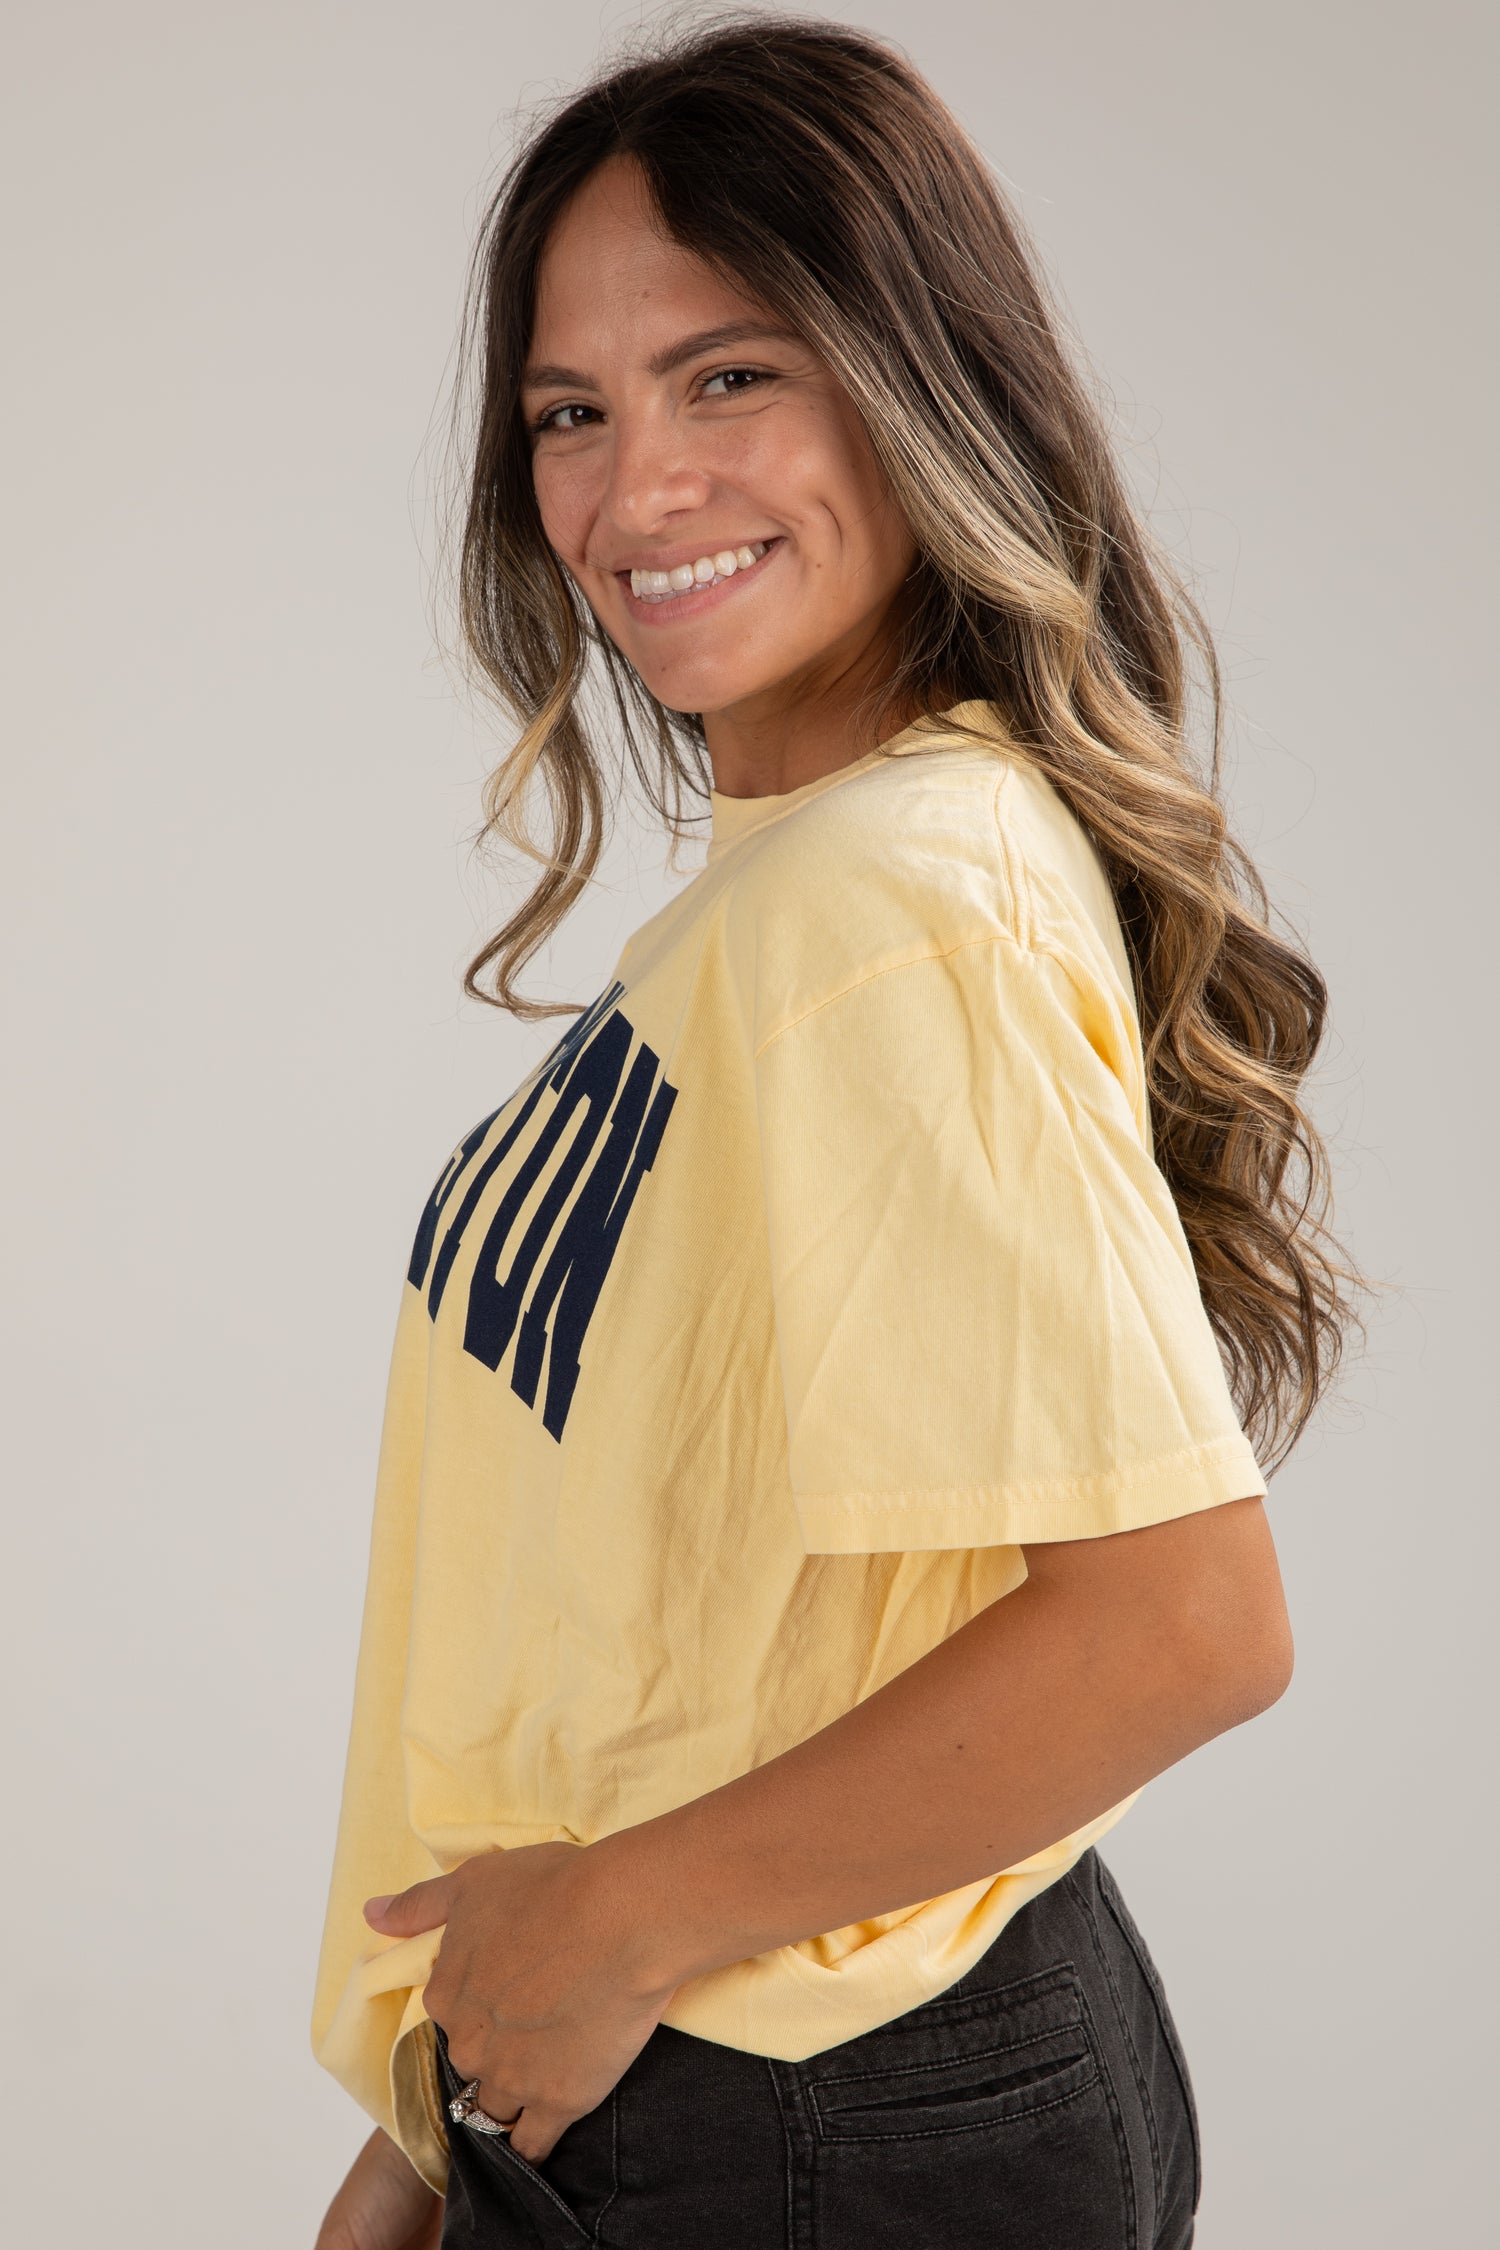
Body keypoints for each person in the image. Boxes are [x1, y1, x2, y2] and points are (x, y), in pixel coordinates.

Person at [311, 19, 1351, 2249]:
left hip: (799, 2100)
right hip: (718, 2064)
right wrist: (432, 2112)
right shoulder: (825, 880)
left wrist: (603, 1934)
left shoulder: (893, 900)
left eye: (728, 377)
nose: (633, 488)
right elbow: (701, 1611)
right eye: (570, 416)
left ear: (918, 377)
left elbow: (1182, 1620)